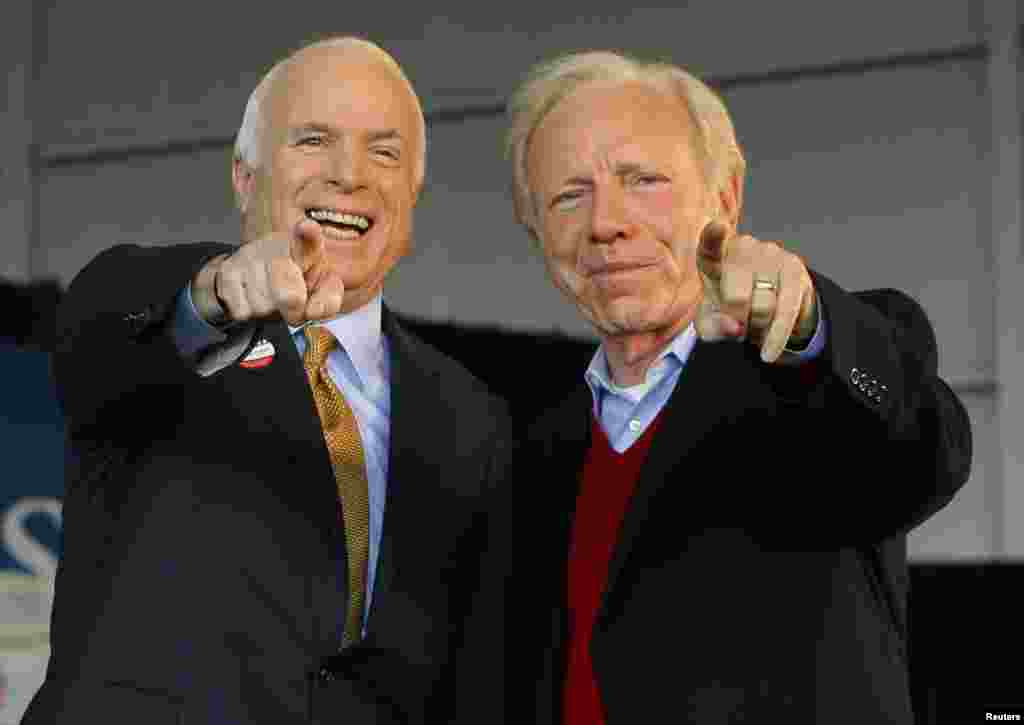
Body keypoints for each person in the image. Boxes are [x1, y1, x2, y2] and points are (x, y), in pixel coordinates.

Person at [25, 37, 507, 724]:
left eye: (384, 152)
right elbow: (104, 323)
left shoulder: (471, 419)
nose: (350, 175)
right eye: (313, 140)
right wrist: (217, 292)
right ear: (244, 176)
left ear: (414, 194)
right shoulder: (158, 326)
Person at [495, 50, 973, 724]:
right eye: (570, 195)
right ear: (535, 228)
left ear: (725, 198)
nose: (605, 222)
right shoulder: (533, 450)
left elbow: (924, 448)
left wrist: (809, 330)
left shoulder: (807, 380)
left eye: (643, 180)